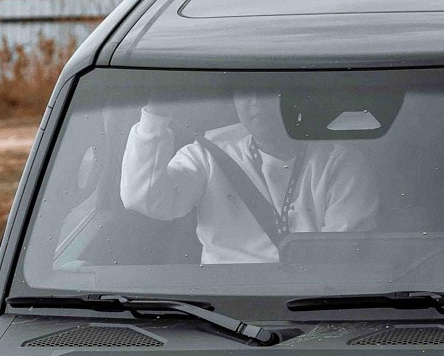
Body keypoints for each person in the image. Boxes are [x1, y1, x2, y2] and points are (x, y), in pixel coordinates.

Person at [119, 91, 378, 266]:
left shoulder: (339, 161)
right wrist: (155, 116)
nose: (255, 100)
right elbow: (145, 198)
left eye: (268, 89)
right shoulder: (208, 153)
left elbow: (343, 257)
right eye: (245, 90)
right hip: (219, 310)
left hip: (309, 304)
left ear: (294, 96)